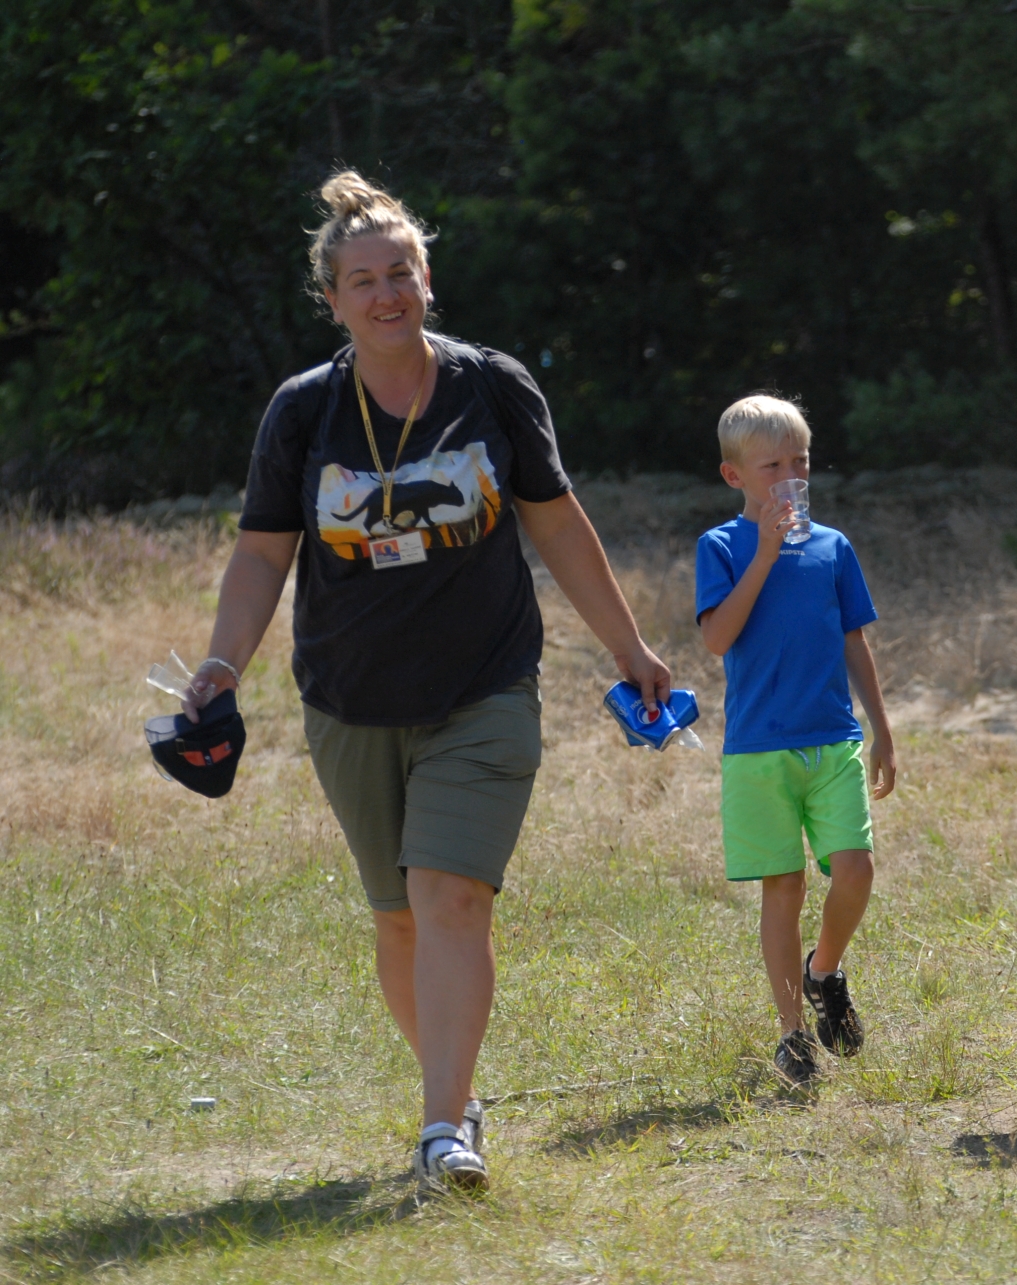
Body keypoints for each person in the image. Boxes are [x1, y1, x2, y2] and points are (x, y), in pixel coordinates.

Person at [180, 171, 673, 1193]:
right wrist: (224, 660)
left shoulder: (492, 387)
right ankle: (457, 1089)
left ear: (427, 278)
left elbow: (555, 523)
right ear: (332, 299)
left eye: (400, 272)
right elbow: (264, 551)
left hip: (485, 684)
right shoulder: (304, 410)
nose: (386, 293)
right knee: (398, 916)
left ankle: (443, 1130)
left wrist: (628, 645)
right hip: (349, 696)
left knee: (449, 893)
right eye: (363, 280)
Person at [694, 395, 896, 1086]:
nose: (790, 477)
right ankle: (791, 1034)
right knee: (782, 886)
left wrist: (882, 730)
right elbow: (717, 637)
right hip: (758, 748)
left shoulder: (833, 547)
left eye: (800, 461)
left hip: (833, 738)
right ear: (734, 476)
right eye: (772, 466)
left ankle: (824, 970)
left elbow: (853, 639)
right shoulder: (721, 546)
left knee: (856, 869)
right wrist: (764, 553)